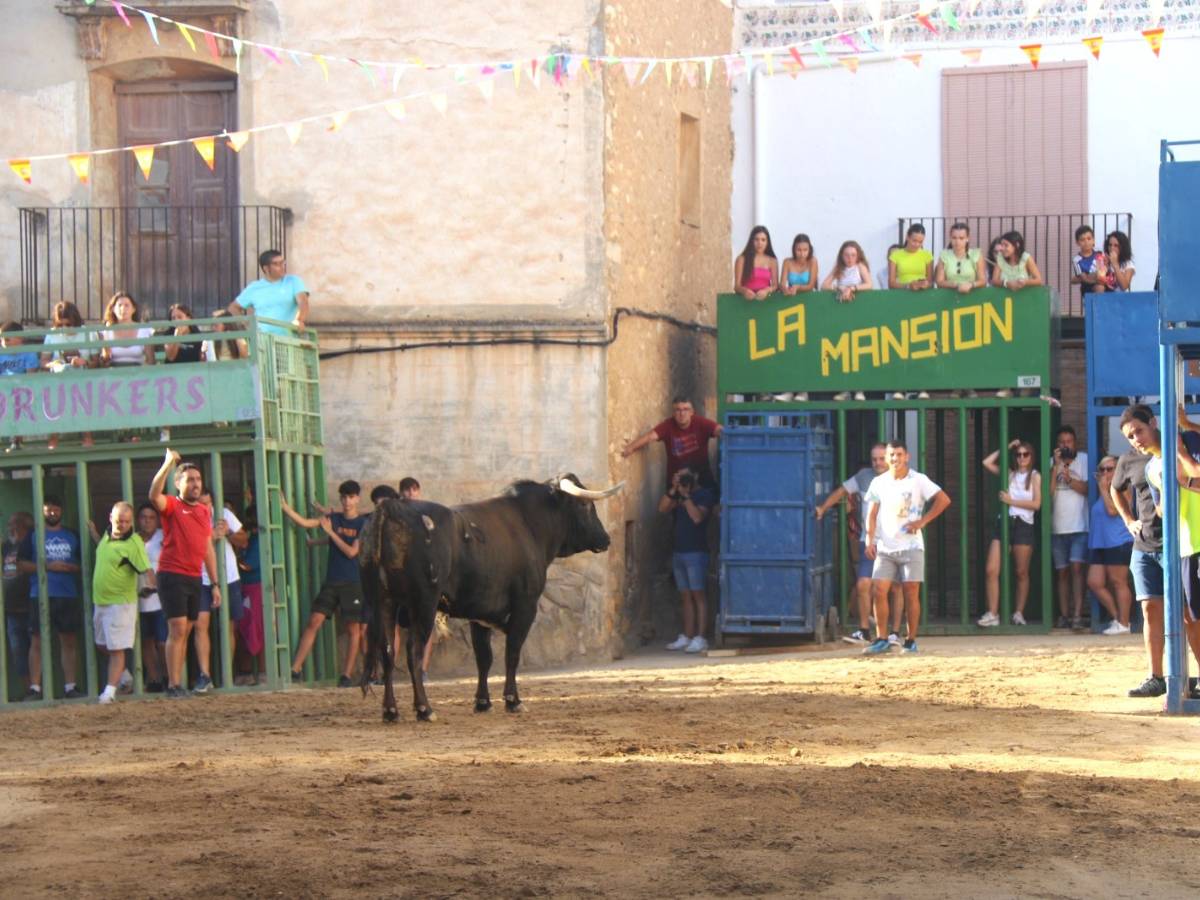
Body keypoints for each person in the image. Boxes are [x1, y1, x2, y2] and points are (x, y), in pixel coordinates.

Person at [862, 441, 951, 655]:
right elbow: (872, 513)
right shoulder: (879, 482)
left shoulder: (918, 480)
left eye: (898, 454)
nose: (895, 459)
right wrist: (869, 539)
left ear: (907, 456)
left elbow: (944, 500)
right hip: (885, 546)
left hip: (911, 546)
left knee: (911, 592)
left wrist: (923, 521)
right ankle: (882, 638)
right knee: (879, 590)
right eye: (891, 455)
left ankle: (910, 640)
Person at [280, 480, 368, 687]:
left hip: (353, 582)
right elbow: (305, 522)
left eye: (351, 497)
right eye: (344, 497)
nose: (347, 501)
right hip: (332, 581)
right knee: (314, 621)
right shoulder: (333, 518)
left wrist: (330, 533)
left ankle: (346, 675)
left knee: (353, 630)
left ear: (357, 498)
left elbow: (351, 552)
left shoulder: (363, 524)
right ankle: (296, 669)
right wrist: (285, 508)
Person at [149, 449, 221, 699]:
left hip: (194, 577)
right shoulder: (172, 505)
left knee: (187, 630)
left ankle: (178, 684)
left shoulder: (203, 511)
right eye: (189, 480)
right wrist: (168, 463)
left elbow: (207, 548)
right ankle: (173, 685)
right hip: (171, 575)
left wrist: (215, 582)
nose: (195, 484)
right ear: (178, 484)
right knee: (178, 629)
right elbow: (153, 495)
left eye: (198, 480)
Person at [814, 443, 902, 645]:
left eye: (881, 459)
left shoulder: (902, 478)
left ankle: (895, 633)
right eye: (874, 459)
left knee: (896, 587)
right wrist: (823, 508)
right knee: (863, 584)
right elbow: (842, 491)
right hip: (868, 541)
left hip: (893, 542)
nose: (878, 463)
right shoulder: (864, 476)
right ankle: (864, 630)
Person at [1112, 405, 1167, 697]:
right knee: (1149, 609)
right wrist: (1128, 520)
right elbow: (1114, 489)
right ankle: (1156, 676)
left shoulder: (1175, 447)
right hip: (1144, 546)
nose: (1136, 439)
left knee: (1188, 614)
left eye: (1139, 431)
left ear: (1154, 423)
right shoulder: (1129, 460)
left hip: (1178, 543)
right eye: (1130, 436)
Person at [18, 495, 83, 699]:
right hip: (40, 594)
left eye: (56, 508)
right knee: (37, 640)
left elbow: (85, 564)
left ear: (61, 510)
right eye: (48, 508)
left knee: (69, 640)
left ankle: (70, 687)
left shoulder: (72, 534)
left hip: (68, 594)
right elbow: (21, 564)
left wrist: (73, 568)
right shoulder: (33, 535)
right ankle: (35, 689)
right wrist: (47, 566)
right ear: (42, 510)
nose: (52, 511)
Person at [91, 502, 151, 705]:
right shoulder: (108, 536)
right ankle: (124, 677)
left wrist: (151, 587)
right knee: (101, 644)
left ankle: (109, 692)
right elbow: (105, 551)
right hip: (101, 601)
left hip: (121, 603)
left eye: (126, 521)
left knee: (117, 649)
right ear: (111, 518)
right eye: (119, 521)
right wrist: (93, 533)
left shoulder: (133, 543)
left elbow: (146, 569)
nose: (122, 525)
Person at [978, 440, 1041, 627]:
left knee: (1021, 572)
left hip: (1024, 524)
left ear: (1031, 456)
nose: (1022, 458)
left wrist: (1011, 500)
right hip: (1005, 522)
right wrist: (1005, 446)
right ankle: (993, 613)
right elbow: (987, 462)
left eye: (1025, 454)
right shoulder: (1010, 474)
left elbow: (1037, 504)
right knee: (991, 569)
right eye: (1018, 454)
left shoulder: (1035, 476)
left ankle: (1018, 613)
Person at [193, 488, 247, 693]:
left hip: (228, 577)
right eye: (201, 504)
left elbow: (244, 540)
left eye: (209, 504)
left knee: (229, 626)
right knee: (200, 625)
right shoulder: (191, 517)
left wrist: (229, 533)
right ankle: (205, 675)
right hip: (200, 578)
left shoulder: (224, 515)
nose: (206, 508)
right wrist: (210, 537)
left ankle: (227, 675)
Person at [660, 467, 715, 654]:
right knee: (685, 596)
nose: (683, 480)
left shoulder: (704, 495)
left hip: (696, 552)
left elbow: (697, 517)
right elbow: (662, 509)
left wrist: (686, 497)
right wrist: (673, 490)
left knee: (698, 594)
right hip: (679, 551)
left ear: (696, 476)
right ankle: (687, 636)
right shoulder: (678, 495)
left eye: (686, 476)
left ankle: (701, 637)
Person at [622, 396, 722, 489]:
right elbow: (650, 436)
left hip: (701, 479)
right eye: (678, 410)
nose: (682, 413)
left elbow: (719, 430)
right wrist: (630, 448)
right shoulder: (668, 425)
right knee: (665, 508)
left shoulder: (701, 422)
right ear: (673, 413)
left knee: (712, 504)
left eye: (686, 409)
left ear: (692, 412)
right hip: (676, 482)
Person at [41, 300, 96, 450]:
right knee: (54, 397)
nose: (64, 328)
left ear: (76, 322)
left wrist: (83, 362)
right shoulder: (52, 335)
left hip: (84, 380)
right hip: (58, 380)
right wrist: (55, 365)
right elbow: (44, 361)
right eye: (60, 325)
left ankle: (87, 436)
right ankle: (53, 439)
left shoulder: (88, 333)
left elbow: (96, 362)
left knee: (83, 395)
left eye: (68, 324)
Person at [1088, 455, 1134, 635]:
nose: (1106, 473)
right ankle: (1117, 618)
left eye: (1110, 469)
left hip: (1119, 541)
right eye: (1102, 469)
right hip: (1100, 543)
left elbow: (1113, 510)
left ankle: (1124, 623)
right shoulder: (1104, 489)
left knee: (1118, 582)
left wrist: (1102, 489)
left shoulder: (1122, 488)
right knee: (1094, 582)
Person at [1050, 425, 1089, 630]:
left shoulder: (1084, 460)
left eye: (1068, 442)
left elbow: (1089, 490)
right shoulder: (1052, 463)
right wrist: (1056, 467)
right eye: (1061, 442)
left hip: (1079, 526)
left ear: (1075, 443)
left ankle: (1077, 614)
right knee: (1062, 572)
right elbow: (1048, 494)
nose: (1065, 446)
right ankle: (1064, 615)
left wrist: (1069, 479)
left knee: (1077, 569)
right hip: (1057, 528)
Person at [228, 249, 310, 335]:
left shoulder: (293, 281)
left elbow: (303, 302)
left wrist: (299, 320)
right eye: (276, 264)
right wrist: (246, 325)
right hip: (263, 342)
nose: (282, 266)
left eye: (283, 262)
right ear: (266, 268)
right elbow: (233, 307)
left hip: (289, 340)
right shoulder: (254, 287)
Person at [135, 501, 168, 691]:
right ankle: (154, 680)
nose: (147, 521)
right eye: (143, 518)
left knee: (164, 643)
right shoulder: (133, 540)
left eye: (151, 518)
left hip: (161, 599)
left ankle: (168, 676)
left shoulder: (163, 536)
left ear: (157, 520)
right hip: (139, 599)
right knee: (146, 642)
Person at [2, 512, 33, 700]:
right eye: (11, 526)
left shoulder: (31, 545)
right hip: (11, 610)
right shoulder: (6, 547)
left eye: (17, 525)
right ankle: (29, 689)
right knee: (18, 652)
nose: (12, 529)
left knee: (35, 651)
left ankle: (37, 689)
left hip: (31, 605)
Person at [0, 322, 40, 452]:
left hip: (21, 389)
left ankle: (16, 441)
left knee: (18, 401)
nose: (3, 342)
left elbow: (30, 375)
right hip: (3, 388)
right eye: (1, 339)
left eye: (7, 339)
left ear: (20, 338)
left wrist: (16, 383)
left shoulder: (29, 353)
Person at [99, 291, 155, 367]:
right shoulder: (107, 331)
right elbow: (105, 362)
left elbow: (150, 361)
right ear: (113, 309)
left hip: (138, 373)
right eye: (119, 305)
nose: (123, 309)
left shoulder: (144, 330)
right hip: (114, 374)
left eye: (126, 305)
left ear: (133, 309)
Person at [934, 222, 987, 294]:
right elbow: (939, 282)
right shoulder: (944, 255)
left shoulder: (976, 254)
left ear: (967, 238)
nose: (957, 241)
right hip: (949, 296)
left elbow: (983, 281)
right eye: (954, 238)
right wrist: (957, 285)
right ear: (950, 238)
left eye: (961, 238)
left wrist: (971, 285)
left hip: (973, 295)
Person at [733, 226, 778, 301]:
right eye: (756, 239)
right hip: (746, 301)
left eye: (763, 240)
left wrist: (766, 291)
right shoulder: (741, 259)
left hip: (766, 301)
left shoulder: (772, 261)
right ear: (751, 241)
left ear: (767, 242)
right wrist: (745, 291)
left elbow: (775, 285)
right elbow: (737, 286)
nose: (759, 243)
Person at [888, 224, 933, 291]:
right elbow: (891, 283)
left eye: (920, 242)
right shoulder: (895, 255)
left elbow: (930, 281)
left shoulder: (927, 255)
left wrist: (924, 285)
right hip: (903, 294)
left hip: (923, 294)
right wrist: (908, 286)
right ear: (907, 237)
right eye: (914, 241)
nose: (917, 244)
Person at [1070, 225, 1108, 296]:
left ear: (1093, 240)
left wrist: (1106, 266)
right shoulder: (1076, 260)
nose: (1086, 242)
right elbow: (1084, 279)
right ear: (1077, 243)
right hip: (1088, 286)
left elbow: (1105, 267)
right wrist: (1097, 278)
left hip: (1102, 282)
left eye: (1089, 238)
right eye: (1082, 240)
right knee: (1100, 287)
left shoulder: (1099, 252)